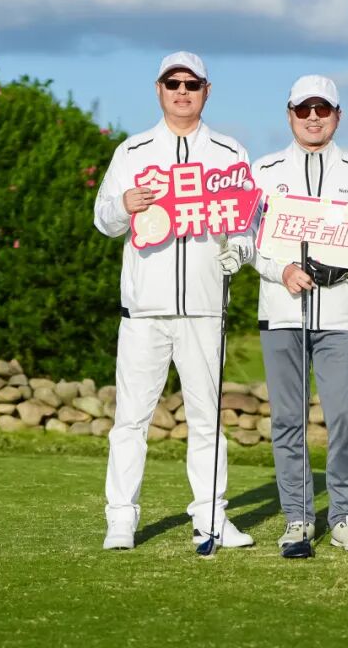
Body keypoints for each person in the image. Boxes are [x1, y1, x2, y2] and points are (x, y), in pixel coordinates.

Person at [94, 51, 255, 550]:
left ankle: (211, 517)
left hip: (205, 309)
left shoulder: (229, 152)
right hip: (144, 310)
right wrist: (124, 205)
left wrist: (240, 250)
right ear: (159, 89)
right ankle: (121, 519)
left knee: (207, 420)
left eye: (191, 84)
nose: (182, 91)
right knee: (130, 420)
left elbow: (248, 221)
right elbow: (103, 218)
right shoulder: (132, 151)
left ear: (207, 90)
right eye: (173, 83)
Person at [251, 75, 348, 552]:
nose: (312, 117)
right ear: (290, 114)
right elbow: (246, 239)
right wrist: (281, 269)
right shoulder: (264, 170)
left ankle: (346, 516)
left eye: (322, 109)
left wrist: (344, 266)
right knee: (288, 420)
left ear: (337, 116)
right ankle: (299, 517)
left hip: (339, 316)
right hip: (281, 313)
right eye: (303, 109)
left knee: (344, 418)